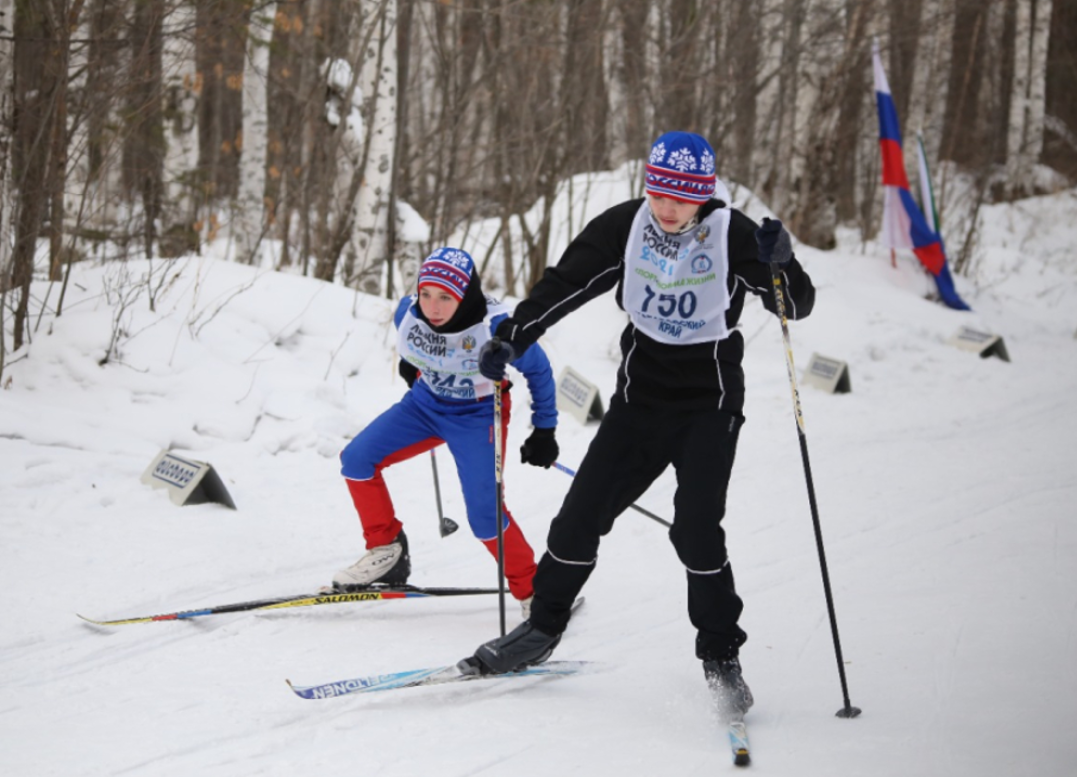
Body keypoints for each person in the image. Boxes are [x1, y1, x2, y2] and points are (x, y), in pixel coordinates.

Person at [458, 131, 816, 717]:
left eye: (681, 197)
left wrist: (783, 263)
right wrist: (513, 335)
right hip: (638, 401)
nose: (667, 207)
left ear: (704, 195)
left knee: (695, 531)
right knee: (579, 517)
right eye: (658, 192)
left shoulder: (734, 234)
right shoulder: (627, 225)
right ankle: (542, 628)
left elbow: (794, 306)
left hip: (709, 404)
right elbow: (567, 281)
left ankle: (721, 657)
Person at [334, 247, 560, 618]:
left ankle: (535, 592)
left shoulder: (497, 328)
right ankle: (387, 551)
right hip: (425, 405)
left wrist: (544, 429)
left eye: (445, 298)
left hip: (478, 415)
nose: (432, 307)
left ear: (466, 294)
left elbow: (540, 371)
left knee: (485, 517)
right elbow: (414, 344)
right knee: (356, 460)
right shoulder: (408, 311)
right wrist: (412, 367)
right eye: (426, 294)